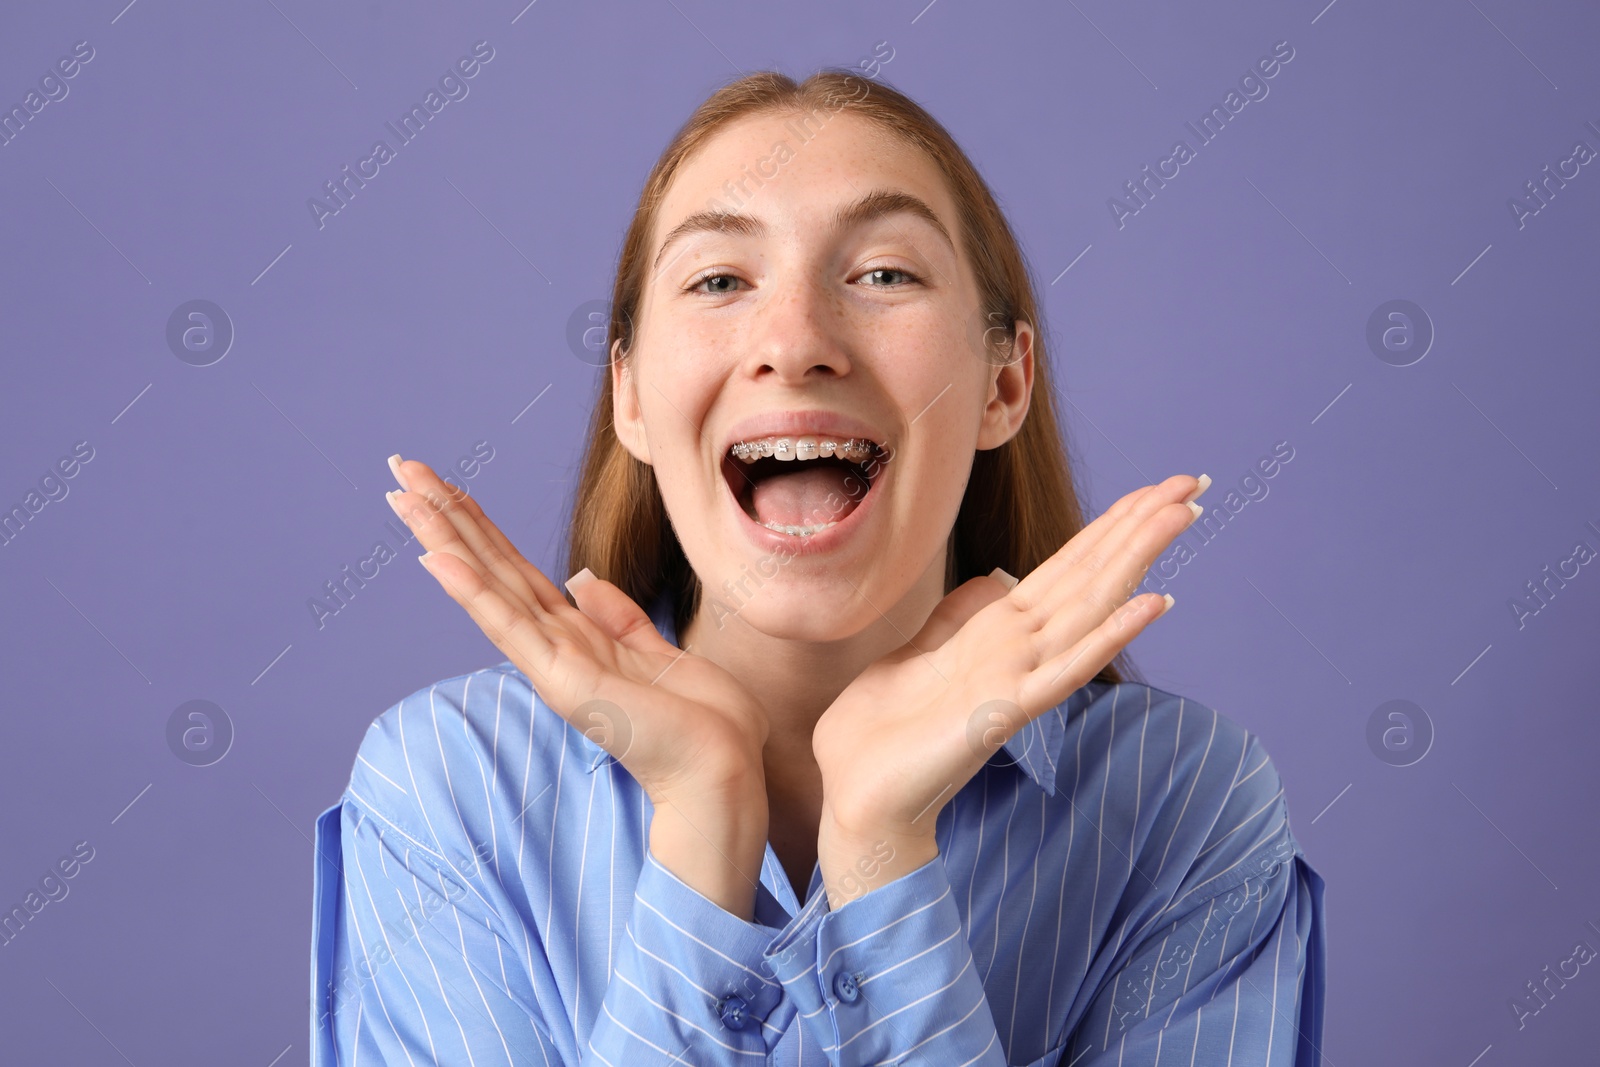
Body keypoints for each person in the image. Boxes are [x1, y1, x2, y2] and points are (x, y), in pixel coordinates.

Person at [309, 67, 1326, 1066]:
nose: (794, 343)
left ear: (1002, 384)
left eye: (883, 273)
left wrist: (881, 850)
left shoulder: (1184, 804)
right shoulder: (448, 787)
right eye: (718, 280)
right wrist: (702, 827)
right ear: (630, 397)